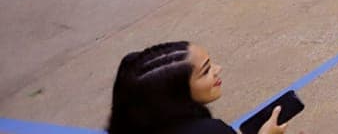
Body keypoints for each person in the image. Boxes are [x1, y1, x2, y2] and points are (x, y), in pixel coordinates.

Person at [107, 41, 289, 134]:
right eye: (206, 71)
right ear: (177, 92)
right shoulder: (207, 131)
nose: (218, 70)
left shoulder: (136, 123)